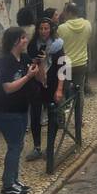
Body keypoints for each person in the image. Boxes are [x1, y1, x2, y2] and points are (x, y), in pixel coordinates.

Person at [0, 27, 43, 194]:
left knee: (18, 145)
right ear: (15, 41)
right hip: (6, 111)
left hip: (21, 109)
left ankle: (13, 180)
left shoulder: (25, 58)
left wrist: (39, 66)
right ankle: (7, 185)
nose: (26, 40)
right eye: (23, 38)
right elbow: (7, 88)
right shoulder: (5, 62)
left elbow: (41, 79)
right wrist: (27, 77)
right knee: (15, 146)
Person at [26, 16, 64, 158]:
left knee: (52, 114)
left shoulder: (58, 45)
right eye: (40, 28)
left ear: (51, 29)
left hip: (53, 83)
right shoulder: (32, 45)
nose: (43, 31)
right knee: (35, 115)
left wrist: (60, 89)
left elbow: (62, 68)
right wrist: (36, 61)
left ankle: (50, 146)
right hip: (36, 84)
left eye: (46, 28)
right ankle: (36, 146)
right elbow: (30, 64)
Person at [57, 3, 92, 113]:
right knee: (79, 92)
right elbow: (87, 40)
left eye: (64, 11)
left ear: (70, 13)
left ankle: (61, 120)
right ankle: (79, 120)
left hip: (65, 65)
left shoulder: (61, 28)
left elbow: (58, 45)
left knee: (62, 90)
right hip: (81, 63)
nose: (63, 14)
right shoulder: (87, 24)